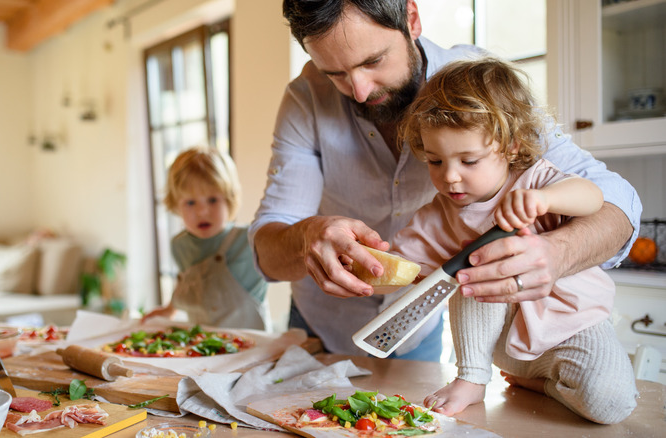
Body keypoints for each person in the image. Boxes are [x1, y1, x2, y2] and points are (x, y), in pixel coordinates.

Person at [248, 0, 641, 359]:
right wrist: (306, 237)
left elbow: (617, 200)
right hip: (320, 319)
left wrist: (559, 253)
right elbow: (268, 246)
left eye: (374, 61)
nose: (360, 90)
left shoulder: (481, 89)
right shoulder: (305, 100)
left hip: (418, 327)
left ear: (412, 18)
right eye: (335, 73)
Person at [392, 57, 637, 424]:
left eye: (468, 160)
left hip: (573, 328)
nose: (450, 178)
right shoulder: (437, 214)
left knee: (610, 404)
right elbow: (399, 262)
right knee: (475, 263)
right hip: (500, 345)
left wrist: (546, 200)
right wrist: (362, 262)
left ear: (510, 146)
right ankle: (472, 379)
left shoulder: (538, 179)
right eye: (435, 161)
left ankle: (543, 384)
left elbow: (594, 197)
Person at [142, 146, 271, 331]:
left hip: (252, 348)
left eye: (212, 200)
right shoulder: (179, 246)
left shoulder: (249, 240)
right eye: (190, 202)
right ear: (176, 205)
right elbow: (185, 283)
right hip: (204, 347)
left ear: (229, 199)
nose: (202, 211)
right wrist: (170, 309)